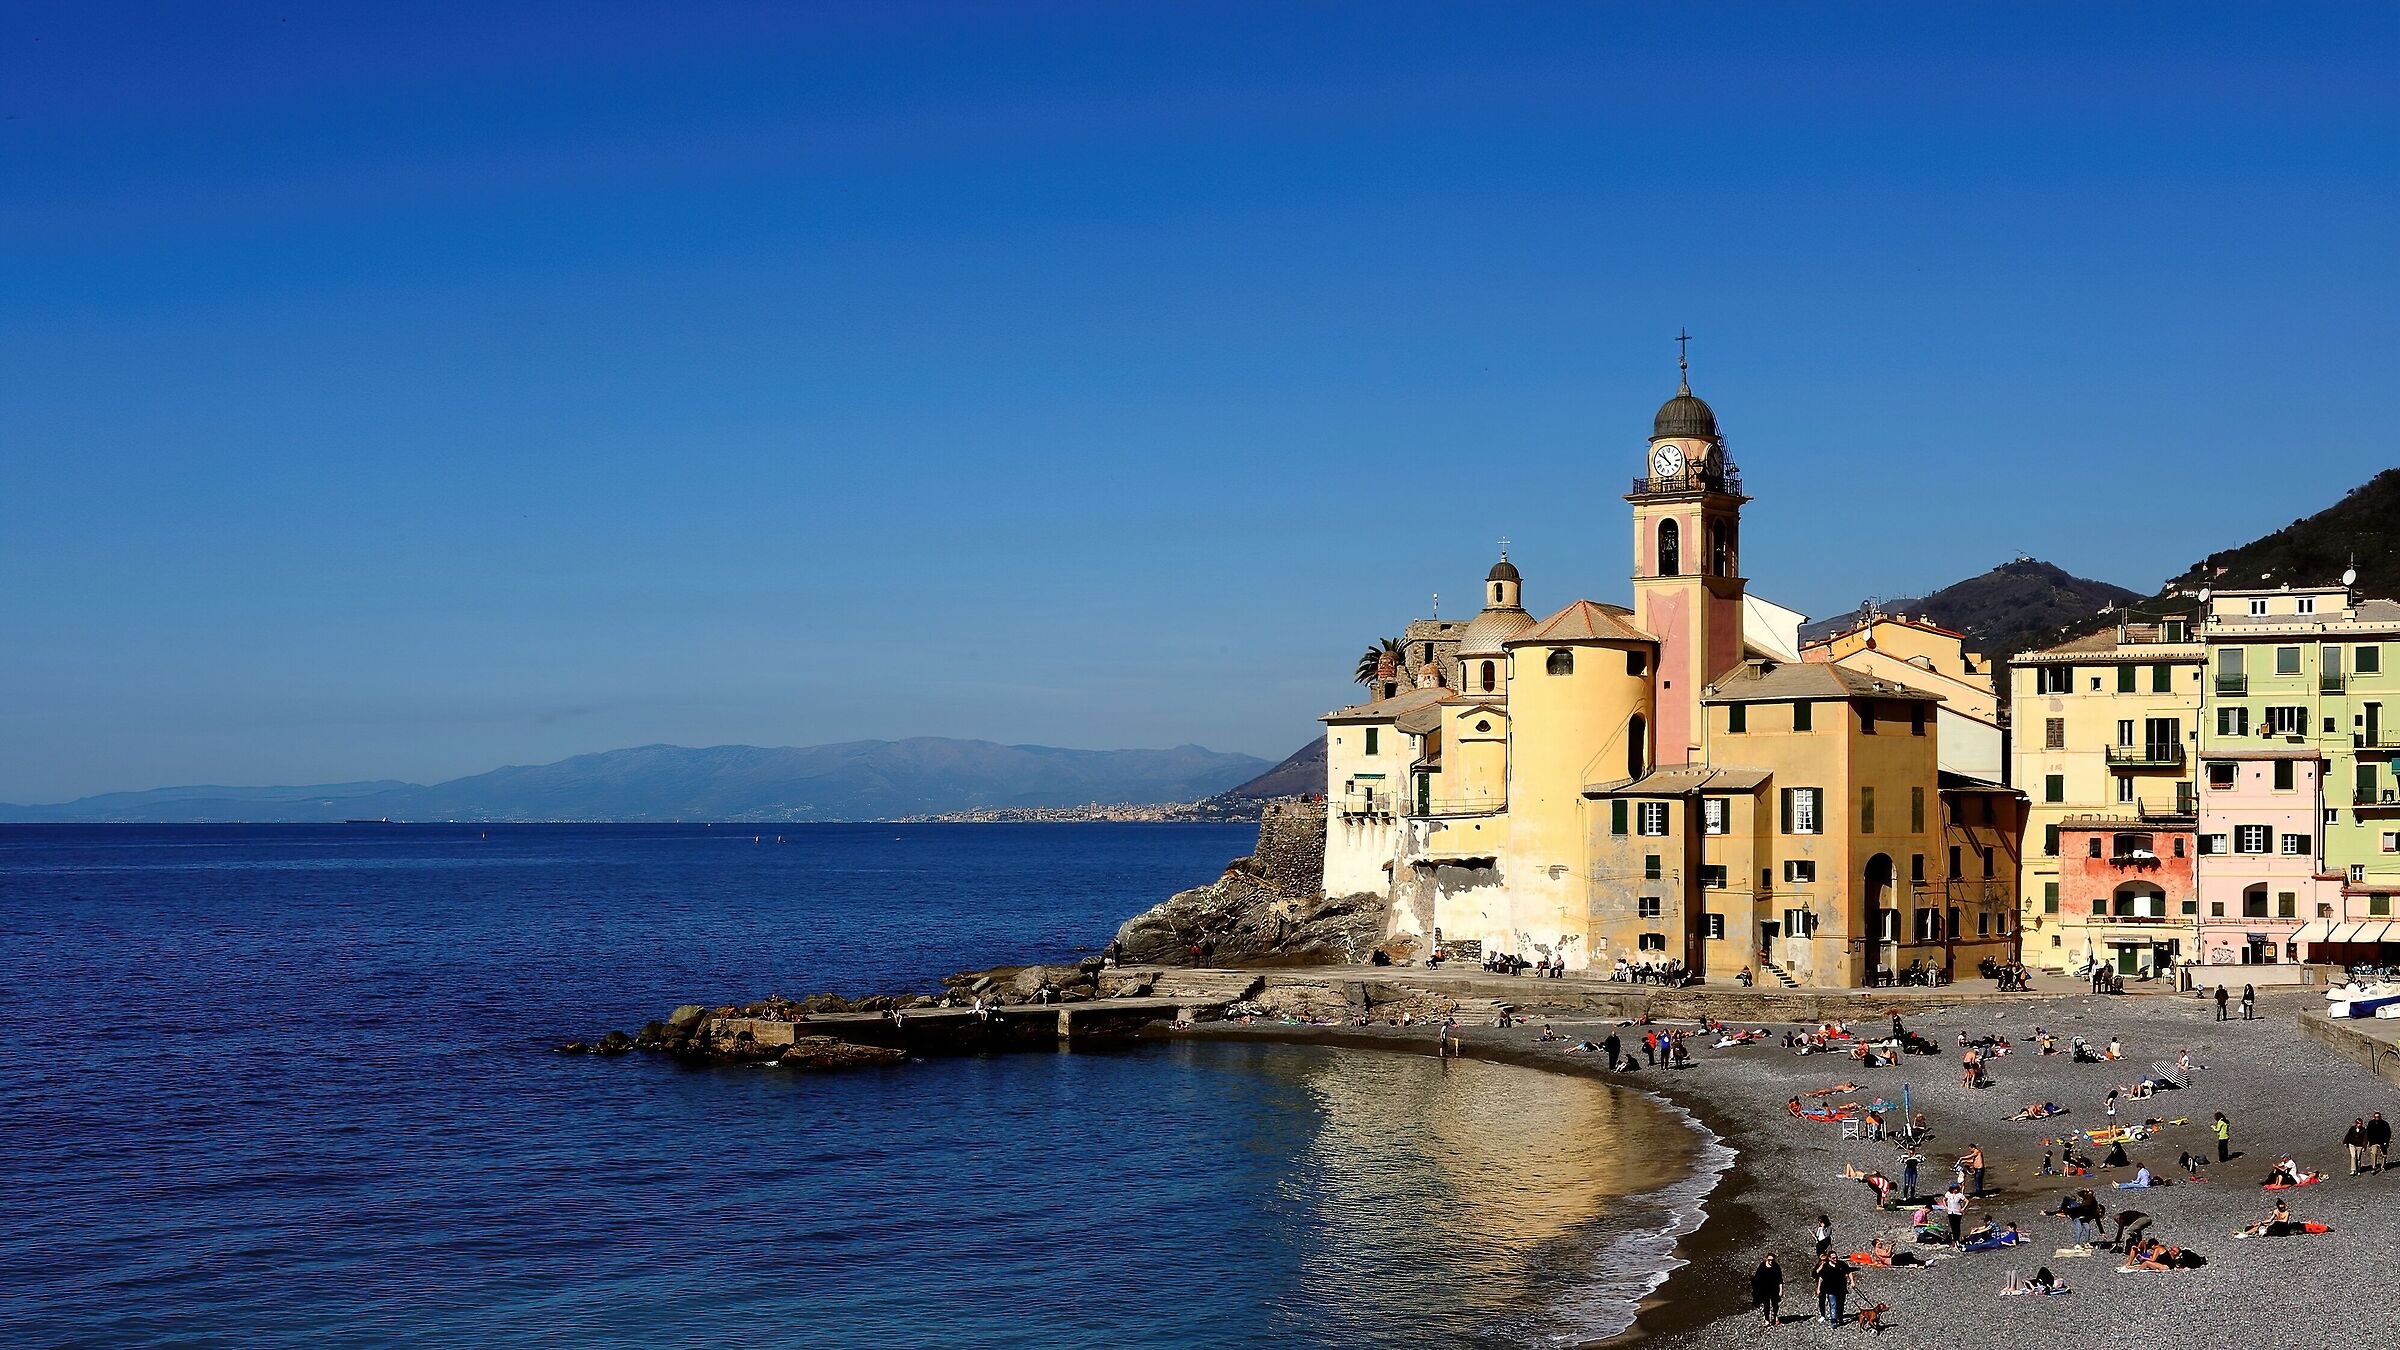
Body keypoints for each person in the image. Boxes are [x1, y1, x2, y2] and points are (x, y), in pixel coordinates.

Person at [1814, 1252, 1850, 1327]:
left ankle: (1840, 1318)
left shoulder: (1841, 1264)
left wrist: (1852, 1281)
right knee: (1833, 1305)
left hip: (1841, 1289)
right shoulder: (1825, 1266)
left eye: (1836, 1257)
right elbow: (1820, 1278)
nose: (1835, 1259)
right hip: (1831, 1290)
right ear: (1829, 1258)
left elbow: (1848, 1271)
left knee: (1841, 1305)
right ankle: (1833, 1321)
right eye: (1833, 1258)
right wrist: (1818, 1288)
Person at [1751, 1254, 1783, 1327]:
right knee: (1766, 1305)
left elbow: (1780, 1279)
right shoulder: (1762, 1266)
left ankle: (1775, 1317)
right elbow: (1757, 1278)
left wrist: (1781, 1289)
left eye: (1772, 1260)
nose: (1771, 1262)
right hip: (1765, 1290)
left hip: (1774, 1289)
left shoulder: (1776, 1267)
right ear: (1766, 1259)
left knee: (1775, 1304)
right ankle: (1767, 1320)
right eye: (1769, 1260)